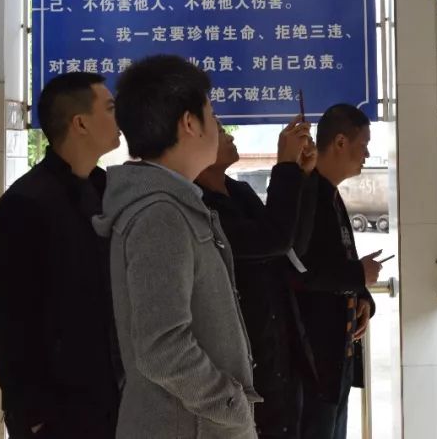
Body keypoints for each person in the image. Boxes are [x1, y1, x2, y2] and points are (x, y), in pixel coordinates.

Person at [94, 55, 258, 439]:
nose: (216, 125)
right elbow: (163, 347)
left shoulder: (174, 204)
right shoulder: (160, 215)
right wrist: (231, 405)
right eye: (211, 114)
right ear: (189, 123)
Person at [0, 72, 122, 439]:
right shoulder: (25, 204)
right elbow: (8, 318)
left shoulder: (106, 191)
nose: (119, 117)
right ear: (80, 123)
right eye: (110, 108)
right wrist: (32, 413)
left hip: (111, 400)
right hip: (57, 414)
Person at [195, 120, 318, 438]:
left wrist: (301, 177)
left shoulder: (239, 192)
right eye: (219, 129)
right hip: (245, 372)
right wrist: (285, 167)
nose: (228, 135)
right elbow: (272, 238)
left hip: (281, 358)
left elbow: (291, 247)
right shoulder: (199, 208)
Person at [296, 104, 386, 439]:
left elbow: (340, 261)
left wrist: (362, 297)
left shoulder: (331, 195)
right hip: (314, 362)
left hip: (338, 358)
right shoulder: (306, 194)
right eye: (364, 145)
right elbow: (301, 271)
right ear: (340, 142)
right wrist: (358, 276)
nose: (367, 154)